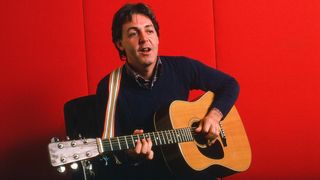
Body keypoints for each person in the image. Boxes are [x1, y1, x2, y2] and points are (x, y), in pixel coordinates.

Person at [90, 2, 239, 180]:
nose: (144, 38)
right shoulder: (110, 87)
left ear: (158, 38)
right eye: (133, 33)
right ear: (120, 43)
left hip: (191, 171)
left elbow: (230, 84)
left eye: (149, 31)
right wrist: (131, 155)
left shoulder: (181, 67)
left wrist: (214, 116)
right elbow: (108, 155)